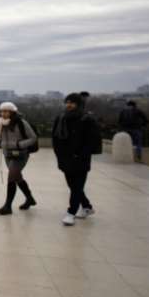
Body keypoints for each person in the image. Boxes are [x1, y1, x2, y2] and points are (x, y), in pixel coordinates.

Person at [53, 93, 96, 226]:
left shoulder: (86, 119)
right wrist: (59, 154)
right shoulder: (61, 118)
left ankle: (71, 213)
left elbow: (92, 141)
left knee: (76, 186)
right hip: (65, 158)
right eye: (67, 102)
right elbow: (55, 137)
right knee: (73, 186)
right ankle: (87, 207)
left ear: (78, 104)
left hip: (80, 159)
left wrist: (81, 154)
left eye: (72, 102)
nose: (69, 104)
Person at [0, 102, 37, 215]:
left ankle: (8, 206)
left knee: (11, 177)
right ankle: (30, 199)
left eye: (6, 111)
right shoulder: (0, 123)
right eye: (2, 111)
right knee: (17, 177)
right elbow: (0, 136)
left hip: (20, 155)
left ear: (12, 112)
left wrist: (19, 145)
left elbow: (33, 138)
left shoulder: (21, 123)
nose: (3, 113)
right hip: (7, 154)